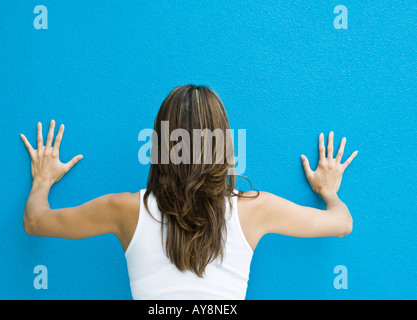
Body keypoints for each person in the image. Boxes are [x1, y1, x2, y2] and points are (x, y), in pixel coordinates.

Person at [20, 84, 358, 299]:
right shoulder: (256, 209)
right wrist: (329, 192)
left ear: (159, 144)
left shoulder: (124, 210)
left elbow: (35, 221)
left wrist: (42, 180)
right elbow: (342, 223)